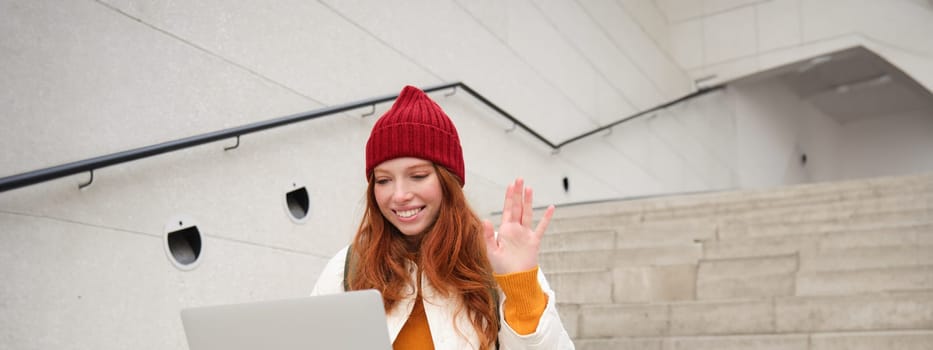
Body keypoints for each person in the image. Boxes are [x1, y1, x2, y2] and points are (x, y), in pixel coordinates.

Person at [311, 85, 574, 349]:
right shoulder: (348, 266)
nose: (399, 194)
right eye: (383, 180)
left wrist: (522, 289)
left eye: (418, 176)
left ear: (449, 181)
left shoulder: (497, 259)